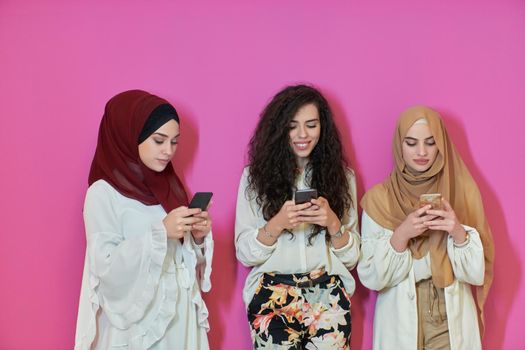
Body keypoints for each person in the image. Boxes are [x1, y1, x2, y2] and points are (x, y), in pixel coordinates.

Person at [74, 90, 213, 350]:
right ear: (129, 136)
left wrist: (196, 237)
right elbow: (103, 266)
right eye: (159, 141)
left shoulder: (171, 188)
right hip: (137, 325)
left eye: (174, 142)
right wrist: (161, 232)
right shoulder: (102, 193)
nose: (168, 151)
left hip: (180, 317)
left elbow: (182, 261)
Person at [357, 106, 494, 350]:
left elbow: (476, 273)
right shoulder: (379, 199)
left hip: (449, 312)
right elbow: (372, 278)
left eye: (430, 143)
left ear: (441, 144)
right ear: (400, 145)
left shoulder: (461, 190)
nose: (422, 152)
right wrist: (402, 234)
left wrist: (457, 231)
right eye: (411, 143)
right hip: (399, 313)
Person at [235, 84, 360, 349]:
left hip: (328, 293)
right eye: (292, 126)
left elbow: (350, 258)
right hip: (272, 294)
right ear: (280, 129)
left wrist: (333, 223)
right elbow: (245, 253)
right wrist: (278, 223)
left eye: (311, 125)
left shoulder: (343, 178)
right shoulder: (253, 178)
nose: (302, 134)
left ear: (322, 128)